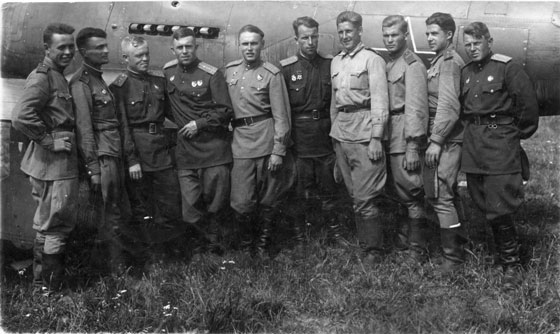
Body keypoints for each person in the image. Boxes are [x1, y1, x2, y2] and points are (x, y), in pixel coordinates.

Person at [460, 22, 539, 289]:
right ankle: (501, 254)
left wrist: (510, 136)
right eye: (468, 44)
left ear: (489, 41)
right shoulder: (466, 72)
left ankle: (512, 264)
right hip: (474, 146)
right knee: (481, 200)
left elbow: (527, 109)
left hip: (500, 146)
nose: (472, 49)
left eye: (477, 43)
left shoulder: (507, 67)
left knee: (500, 205)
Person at [12, 23, 78, 293]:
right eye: (60, 47)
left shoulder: (58, 75)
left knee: (47, 223)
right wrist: (49, 140)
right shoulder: (43, 77)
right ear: (47, 49)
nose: (67, 51)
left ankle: (42, 285)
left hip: (52, 164)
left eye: (70, 46)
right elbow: (20, 116)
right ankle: (50, 291)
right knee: (56, 226)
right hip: (53, 164)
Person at [225, 24, 294, 256]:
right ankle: (246, 247)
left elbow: (281, 116)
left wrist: (278, 150)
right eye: (245, 43)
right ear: (239, 45)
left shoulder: (272, 74)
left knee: (268, 200)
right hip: (240, 145)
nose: (249, 48)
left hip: (265, 142)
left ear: (262, 45)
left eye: (254, 43)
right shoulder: (230, 72)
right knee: (241, 202)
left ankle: (263, 246)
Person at [109, 36, 182, 254]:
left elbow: (174, 113)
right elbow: (122, 126)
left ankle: (168, 253)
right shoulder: (119, 87)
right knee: (142, 208)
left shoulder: (158, 82)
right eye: (138, 55)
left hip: (161, 152)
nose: (145, 59)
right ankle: (147, 256)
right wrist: (132, 160)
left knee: (170, 203)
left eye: (146, 54)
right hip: (138, 155)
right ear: (125, 58)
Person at [163, 27, 233, 253]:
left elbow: (225, 111)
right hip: (186, 154)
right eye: (180, 47)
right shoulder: (168, 73)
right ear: (172, 49)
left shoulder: (212, 74)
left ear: (196, 47)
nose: (185, 51)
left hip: (213, 151)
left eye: (189, 47)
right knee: (190, 208)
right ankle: (199, 247)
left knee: (216, 205)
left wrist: (199, 124)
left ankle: (214, 249)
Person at [330, 11, 389, 265]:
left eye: (349, 31)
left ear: (359, 32)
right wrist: (335, 136)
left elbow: (380, 101)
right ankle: (365, 244)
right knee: (354, 195)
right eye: (341, 31)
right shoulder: (336, 62)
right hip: (342, 133)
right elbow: (335, 102)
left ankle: (374, 251)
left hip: (365, 134)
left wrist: (377, 137)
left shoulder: (372, 60)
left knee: (365, 197)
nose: (345, 36)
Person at [70, 27, 129, 273]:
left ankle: (114, 267)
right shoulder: (81, 82)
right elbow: (84, 129)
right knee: (104, 214)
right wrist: (93, 168)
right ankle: (108, 270)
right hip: (103, 158)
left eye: (106, 46)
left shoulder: (97, 78)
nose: (106, 51)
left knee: (113, 212)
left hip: (111, 154)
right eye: (99, 48)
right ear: (84, 52)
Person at [279, 16, 341, 246]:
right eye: (305, 37)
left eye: (314, 37)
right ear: (296, 39)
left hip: (324, 134)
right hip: (300, 137)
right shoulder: (286, 69)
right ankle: (299, 235)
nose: (310, 42)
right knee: (299, 189)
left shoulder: (329, 64)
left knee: (329, 186)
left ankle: (334, 232)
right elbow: (283, 109)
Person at [382, 15, 429, 263]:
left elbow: (416, 107)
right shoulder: (390, 64)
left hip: (404, 135)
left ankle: (416, 249)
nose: (390, 40)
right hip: (391, 135)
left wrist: (413, 145)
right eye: (386, 36)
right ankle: (402, 241)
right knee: (398, 192)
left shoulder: (412, 64)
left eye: (394, 35)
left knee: (411, 192)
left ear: (405, 36)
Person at [424, 12, 467, 273]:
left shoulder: (449, 62)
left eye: (434, 33)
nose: (429, 38)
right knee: (447, 191)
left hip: (447, 138)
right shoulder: (440, 60)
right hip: (445, 137)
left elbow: (449, 106)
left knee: (440, 194)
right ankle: (462, 243)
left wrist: (436, 140)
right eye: (427, 33)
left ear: (449, 35)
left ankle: (453, 260)